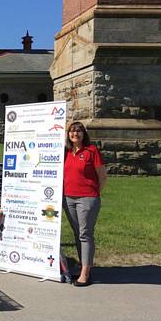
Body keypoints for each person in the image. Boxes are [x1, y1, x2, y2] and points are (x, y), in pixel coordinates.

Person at [63, 121, 107, 287]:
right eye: (72, 132)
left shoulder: (92, 151)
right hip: (68, 198)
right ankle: (85, 266)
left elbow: (102, 176)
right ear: (68, 134)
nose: (75, 134)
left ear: (84, 134)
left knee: (85, 234)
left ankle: (85, 274)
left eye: (79, 131)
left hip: (87, 198)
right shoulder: (66, 152)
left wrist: (94, 193)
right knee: (77, 233)